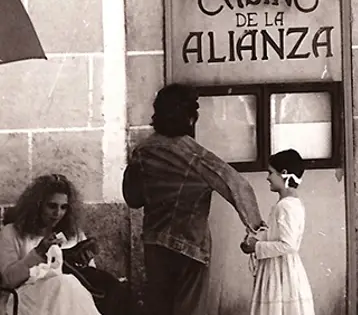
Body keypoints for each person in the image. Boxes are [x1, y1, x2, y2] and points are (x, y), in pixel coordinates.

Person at [122, 83, 266, 315]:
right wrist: (257, 228)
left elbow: (133, 198)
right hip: (190, 245)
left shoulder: (143, 151)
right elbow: (236, 184)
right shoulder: (195, 154)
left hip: (155, 244)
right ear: (190, 118)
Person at [0, 174, 102, 315]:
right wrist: (38, 253)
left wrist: (83, 264)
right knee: (64, 283)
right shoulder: (12, 232)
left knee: (67, 285)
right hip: (23, 299)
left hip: (68, 296)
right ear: (38, 205)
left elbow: (90, 280)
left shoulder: (73, 234)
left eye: (63, 207)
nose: (57, 213)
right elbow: (8, 281)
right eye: (52, 206)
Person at [241, 149, 315, 315]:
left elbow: (288, 245)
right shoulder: (289, 203)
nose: (267, 178)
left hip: (281, 272)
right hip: (278, 268)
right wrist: (260, 236)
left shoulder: (286, 206)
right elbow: (280, 236)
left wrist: (256, 246)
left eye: (271, 172)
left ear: (284, 173)